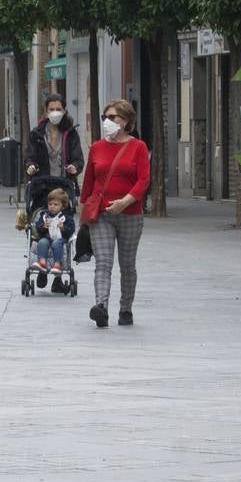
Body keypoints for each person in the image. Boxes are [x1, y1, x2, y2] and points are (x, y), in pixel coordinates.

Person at [81, 99, 150, 328]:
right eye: (105, 117)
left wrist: (126, 201)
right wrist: (83, 213)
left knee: (127, 264)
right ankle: (101, 307)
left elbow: (143, 180)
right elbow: (88, 182)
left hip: (130, 213)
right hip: (101, 214)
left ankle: (126, 308)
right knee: (103, 262)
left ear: (127, 121)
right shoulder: (97, 147)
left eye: (113, 118)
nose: (108, 122)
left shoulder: (138, 147)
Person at [25, 93, 84, 183]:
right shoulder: (36, 134)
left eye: (58, 109)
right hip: (41, 187)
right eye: (51, 109)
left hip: (64, 187)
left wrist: (74, 167)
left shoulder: (71, 134)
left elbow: (78, 160)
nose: (55, 112)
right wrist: (30, 166)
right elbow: (29, 157)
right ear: (46, 111)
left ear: (64, 111)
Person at [31, 187, 76, 275]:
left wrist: (63, 228)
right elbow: (38, 226)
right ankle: (42, 262)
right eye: (50, 204)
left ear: (62, 206)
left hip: (60, 238)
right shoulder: (44, 215)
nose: (52, 206)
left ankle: (57, 264)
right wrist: (43, 226)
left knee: (56, 243)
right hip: (47, 237)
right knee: (42, 242)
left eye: (55, 204)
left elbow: (71, 230)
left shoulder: (66, 217)